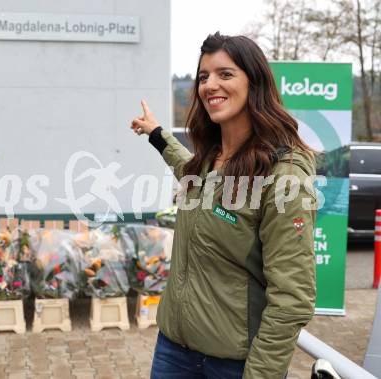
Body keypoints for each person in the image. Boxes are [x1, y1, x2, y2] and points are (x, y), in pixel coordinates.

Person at [130, 32, 317, 379]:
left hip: (230, 365)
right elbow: (186, 168)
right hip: (173, 349)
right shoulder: (208, 158)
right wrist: (157, 134)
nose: (210, 85)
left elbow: (293, 296)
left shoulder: (283, 172)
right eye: (204, 77)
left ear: (254, 82)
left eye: (225, 74)